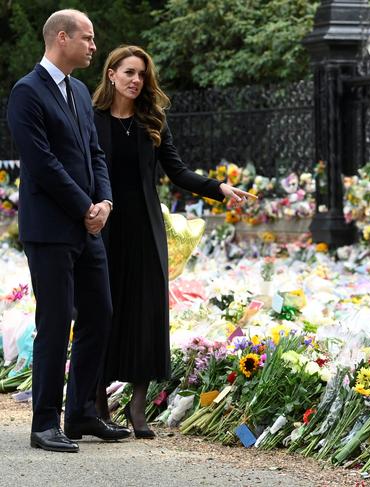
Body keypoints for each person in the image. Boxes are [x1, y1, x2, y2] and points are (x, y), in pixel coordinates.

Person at [92, 45, 255, 438]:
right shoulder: (91, 119)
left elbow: (178, 172)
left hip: (146, 228)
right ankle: (96, 405)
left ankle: (137, 405)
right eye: (129, 72)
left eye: (142, 74)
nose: (136, 80)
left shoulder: (154, 120)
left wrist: (219, 189)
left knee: (147, 313)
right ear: (111, 74)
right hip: (104, 227)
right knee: (104, 311)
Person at [6, 9, 131, 453]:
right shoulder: (26, 92)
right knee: (56, 322)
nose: (94, 46)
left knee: (100, 314)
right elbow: (41, 163)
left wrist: (106, 203)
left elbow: (95, 154)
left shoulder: (78, 90)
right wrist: (85, 207)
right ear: (62, 38)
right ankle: (44, 424)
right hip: (52, 229)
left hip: (88, 226)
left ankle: (80, 413)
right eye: (88, 38)